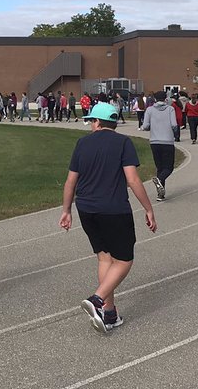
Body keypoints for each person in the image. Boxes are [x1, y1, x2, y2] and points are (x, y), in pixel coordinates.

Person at [59, 102, 157, 333]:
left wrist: (66, 210)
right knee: (124, 260)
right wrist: (148, 209)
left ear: (97, 122)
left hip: (86, 209)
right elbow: (133, 180)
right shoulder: (123, 142)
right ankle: (97, 299)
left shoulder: (82, 143)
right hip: (113, 209)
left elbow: (70, 181)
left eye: (91, 121)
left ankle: (109, 313)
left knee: (105, 259)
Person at [140, 90, 179, 201]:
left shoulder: (150, 110)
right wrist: (174, 133)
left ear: (155, 99)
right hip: (167, 141)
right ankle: (159, 179)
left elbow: (146, 126)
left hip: (154, 141)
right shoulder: (170, 109)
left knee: (160, 167)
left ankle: (160, 194)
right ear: (165, 98)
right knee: (169, 167)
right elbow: (174, 125)